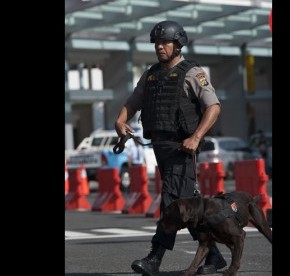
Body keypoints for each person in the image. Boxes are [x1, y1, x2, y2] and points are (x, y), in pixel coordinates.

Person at [114, 20, 223, 276]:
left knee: (171, 204)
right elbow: (133, 101)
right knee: (189, 208)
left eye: (165, 42)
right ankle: (214, 257)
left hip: (182, 150)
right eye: (157, 43)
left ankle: (154, 258)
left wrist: (196, 137)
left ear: (178, 44)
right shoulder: (151, 74)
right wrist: (120, 121)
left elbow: (214, 106)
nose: (159, 47)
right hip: (160, 150)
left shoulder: (192, 73)